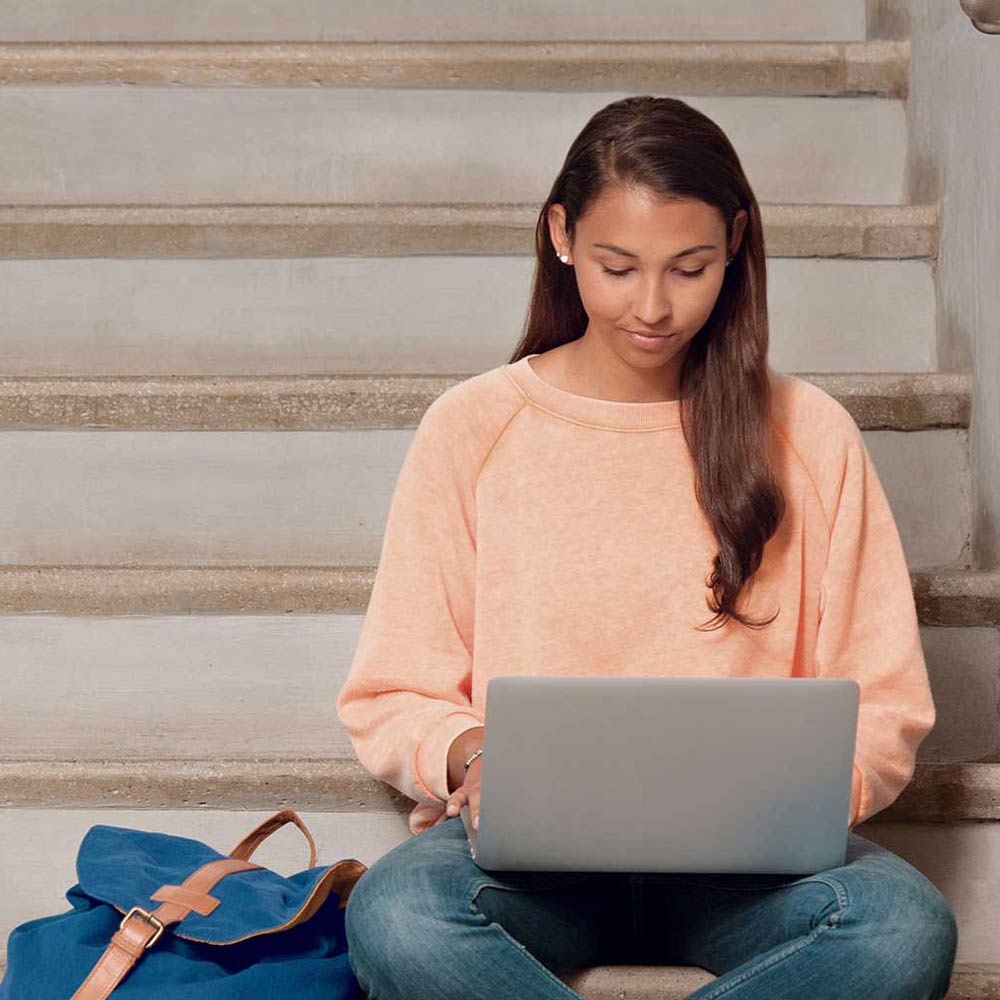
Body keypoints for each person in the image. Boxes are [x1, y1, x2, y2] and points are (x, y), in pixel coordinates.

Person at [335, 95, 958, 999]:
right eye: (619, 267)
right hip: (525, 869)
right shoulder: (474, 427)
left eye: (690, 268)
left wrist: (808, 794)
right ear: (561, 235)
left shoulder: (810, 435)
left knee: (900, 930)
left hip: (753, 874)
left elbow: (885, 701)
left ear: (736, 245)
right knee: (397, 916)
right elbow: (394, 689)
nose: (654, 307)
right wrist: (472, 755)